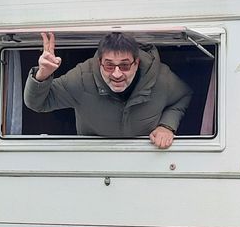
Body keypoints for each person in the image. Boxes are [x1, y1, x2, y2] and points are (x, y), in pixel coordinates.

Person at [24, 31, 192, 149]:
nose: (117, 74)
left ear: (137, 63)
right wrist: (42, 75)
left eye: (125, 65)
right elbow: (38, 103)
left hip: (147, 160)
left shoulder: (161, 78)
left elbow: (183, 96)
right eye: (109, 65)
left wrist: (166, 126)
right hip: (95, 161)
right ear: (100, 63)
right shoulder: (81, 78)